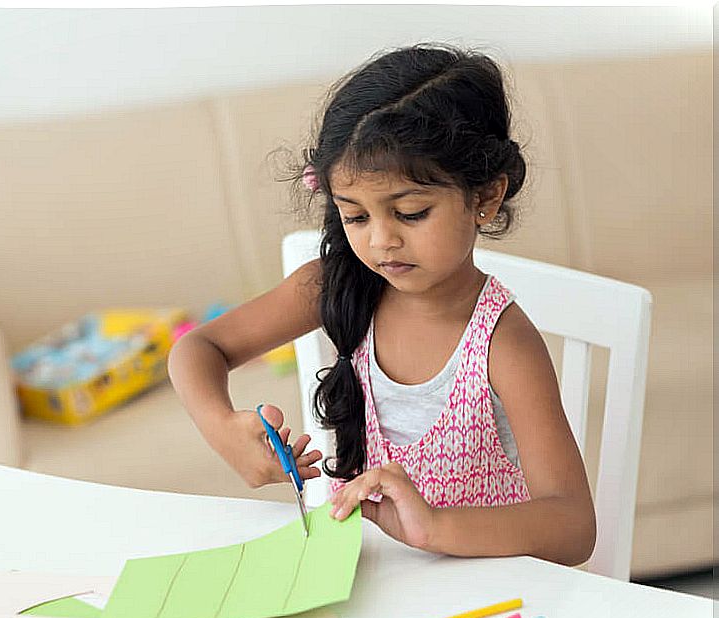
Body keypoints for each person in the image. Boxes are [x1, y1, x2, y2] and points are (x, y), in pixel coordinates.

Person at [167, 43, 596, 567]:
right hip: (369, 582)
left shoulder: (502, 343)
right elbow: (198, 348)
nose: (380, 242)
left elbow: (573, 528)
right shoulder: (335, 286)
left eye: (411, 213)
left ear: (484, 196)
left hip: (488, 598)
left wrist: (433, 527)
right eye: (356, 217)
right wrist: (222, 427)